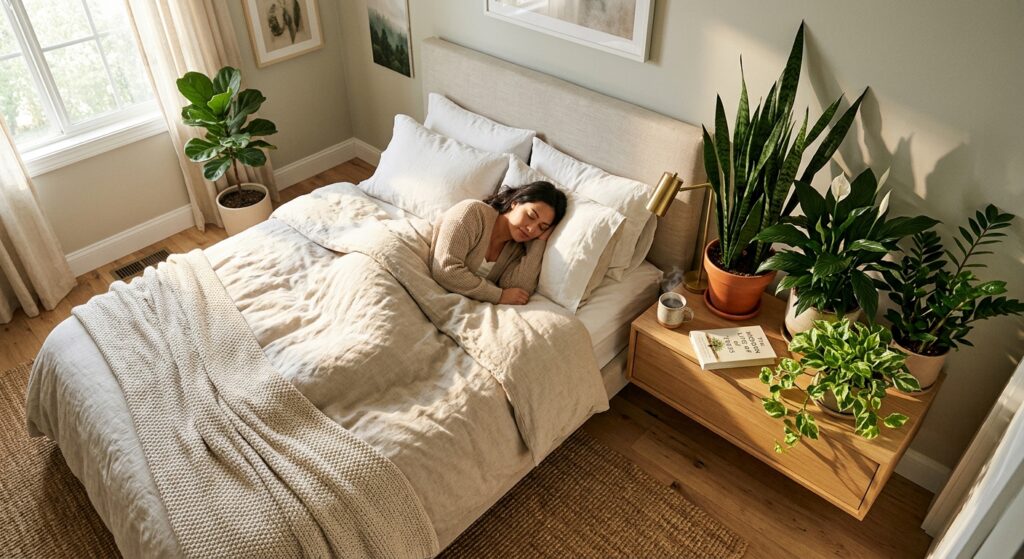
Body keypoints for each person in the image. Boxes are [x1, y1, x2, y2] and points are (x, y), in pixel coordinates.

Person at [429, 181, 567, 305]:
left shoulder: (517, 249)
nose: (531, 229)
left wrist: (539, 243)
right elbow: (445, 270)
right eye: (531, 216)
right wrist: (498, 295)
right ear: (515, 203)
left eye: (541, 227)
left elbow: (518, 291)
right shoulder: (473, 212)